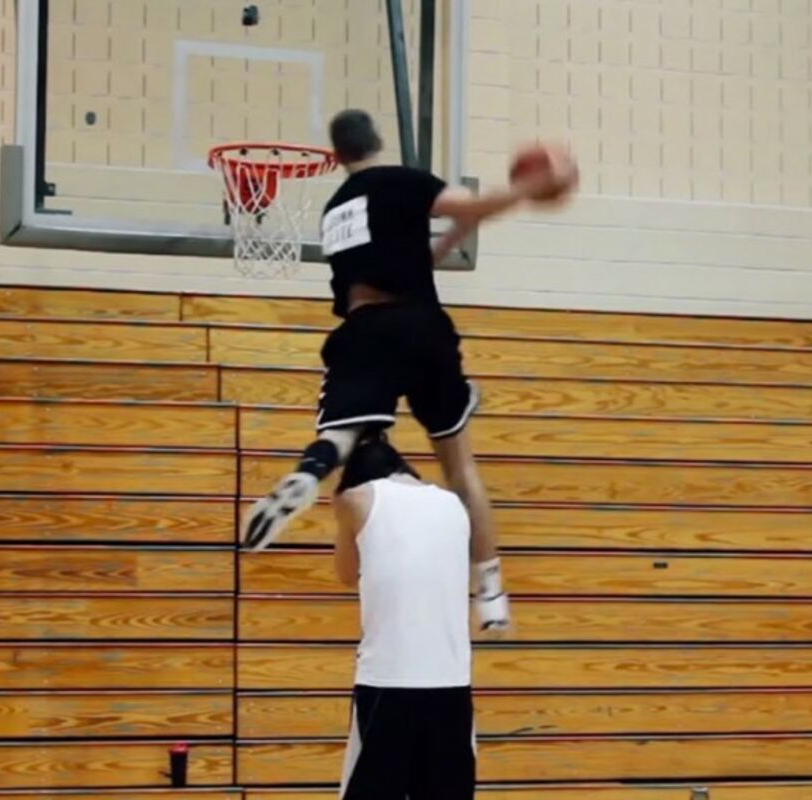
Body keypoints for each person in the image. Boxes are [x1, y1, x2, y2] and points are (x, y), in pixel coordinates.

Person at [243, 108, 577, 631]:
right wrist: (528, 188)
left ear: (337, 155)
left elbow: (404, 258)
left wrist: (448, 240)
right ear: (378, 141)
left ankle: (310, 471)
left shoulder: (335, 211)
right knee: (460, 467)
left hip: (363, 331)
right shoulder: (400, 180)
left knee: (346, 434)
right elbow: (473, 206)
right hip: (421, 327)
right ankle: (490, 594)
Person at [332, 433, 476, 799]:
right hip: (452, 686)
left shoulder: (354, 498)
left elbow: (346, 574)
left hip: (387, 684)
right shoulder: (454, 504)